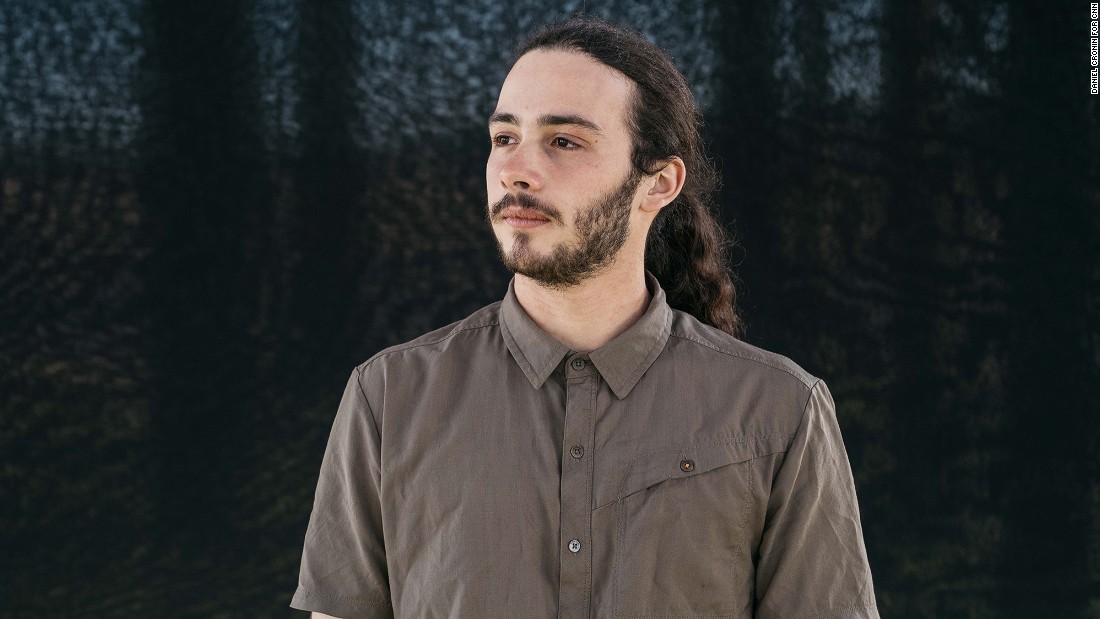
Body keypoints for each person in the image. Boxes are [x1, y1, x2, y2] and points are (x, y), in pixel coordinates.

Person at [291, 16, 878, 619]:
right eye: (504, 138)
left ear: (658, 183)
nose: (517, 170)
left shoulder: (779, 410)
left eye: (564, 141)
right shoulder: (389, 398)